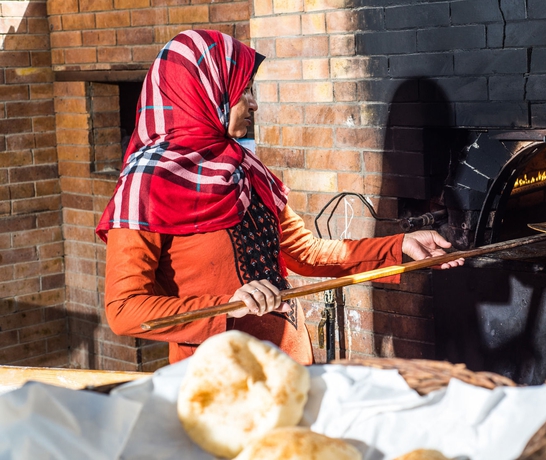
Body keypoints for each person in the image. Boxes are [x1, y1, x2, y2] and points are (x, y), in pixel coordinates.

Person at [97, 30, 462, 365]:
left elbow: (306, 253)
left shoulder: (246, 168)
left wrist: (399, 246)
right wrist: (225, 305)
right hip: (222, 380)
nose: (253, 104)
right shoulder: (144, 187)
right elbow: (124, 309)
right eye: (242, 92)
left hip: (291, 363)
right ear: (203, 93)